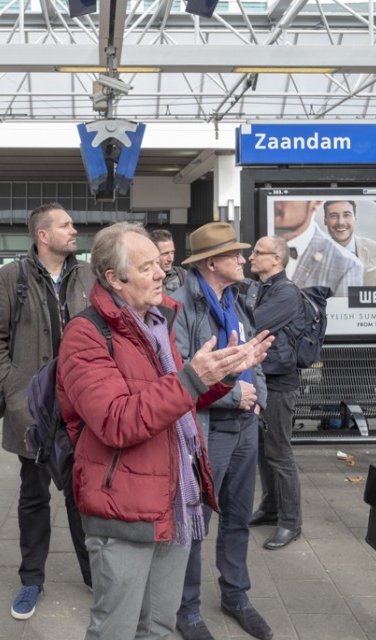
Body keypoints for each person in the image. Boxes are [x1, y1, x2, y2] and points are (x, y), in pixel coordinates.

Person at [58, 222, 272, 639]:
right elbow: (117, 421)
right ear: (114, 279)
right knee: (115, 629)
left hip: (175, 500)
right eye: (146, 267)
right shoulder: (85, 334)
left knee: (158, 626)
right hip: (124, 509)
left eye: (159, 264)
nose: (161, 273)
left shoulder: (157, 322)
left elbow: (177, 404)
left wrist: (222, 375)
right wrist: (193, 377)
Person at [0, 202, 96, 620]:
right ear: (42, 235)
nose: (74, 229)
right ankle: (31, 579)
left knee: (83, 496)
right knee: (33, 496)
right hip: (34, 412)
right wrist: (16, 389)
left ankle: (93, 576)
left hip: (82, 411)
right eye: (65, 224)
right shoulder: (11, 278)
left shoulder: (88, 275)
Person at [172, 222, 272, 640]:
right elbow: (176, 378)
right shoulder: (179, 306)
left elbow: (254, 355)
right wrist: (235, 396)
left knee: (236, 517)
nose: (244, 260)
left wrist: (258, 396)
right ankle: (186, 608)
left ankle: (235, 594)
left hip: (245, 427)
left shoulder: (236, 298)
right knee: (197, 522)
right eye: (235, 255)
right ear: (212, 263)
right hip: (207, 429)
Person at [247, 235, 303, 550]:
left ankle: (290, 523)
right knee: (264, 451)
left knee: (279, 453)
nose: (252, 256)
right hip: (264, 381)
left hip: (280, 383)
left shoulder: (286, 293)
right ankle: (270, 508)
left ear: (276, 259)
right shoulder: (264, 288)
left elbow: (253, 324)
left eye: (258, 252)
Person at [273, 199, 362, 296]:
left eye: (289, 195)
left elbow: (343, 310)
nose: (277, 202)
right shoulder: (256, 243)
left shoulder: (347, 266)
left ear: (316, 202)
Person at [322, 200, 376, 286]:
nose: (340, 222)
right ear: (325, 220)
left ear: (355, 219)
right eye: (333, 216)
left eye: (347, 215)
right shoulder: (312, 250)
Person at [149, 228, 187, 295]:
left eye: (172, 252)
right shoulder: (143, 279)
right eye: (165, 254)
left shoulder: (183, 276)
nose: (171, 259)